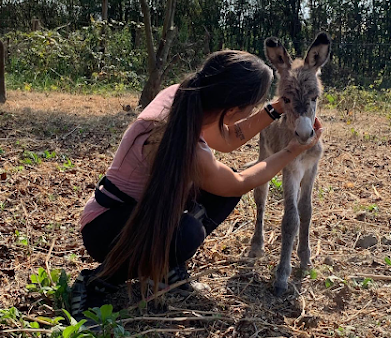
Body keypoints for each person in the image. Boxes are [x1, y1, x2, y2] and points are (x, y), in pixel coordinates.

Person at [71, 49, 322, 317]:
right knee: (188, 232)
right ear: (232, 109)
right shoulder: (183, 141)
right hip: (107, 228)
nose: (253, 111)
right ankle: (98, 282)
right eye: (252, 106)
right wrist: (290, 152)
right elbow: (238, 183)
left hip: (132, 211)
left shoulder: (186, 98)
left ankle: (165, 268)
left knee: (219, 194)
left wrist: (277, 108)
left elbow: (229, 138)